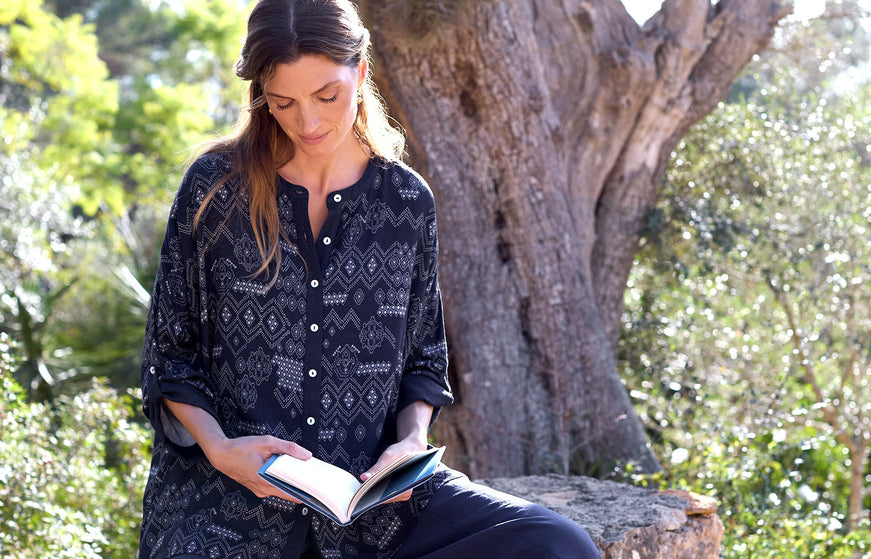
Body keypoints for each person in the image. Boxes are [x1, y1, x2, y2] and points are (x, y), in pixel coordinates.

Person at [137, 1, 602, 557]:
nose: (307, 122)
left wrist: (410, 443)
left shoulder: (406, 202)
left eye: (326, 96)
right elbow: (171, 355)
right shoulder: (215, 190)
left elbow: (424, 357)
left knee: (556, 545)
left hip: (376, 504)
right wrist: (219, 448)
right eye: (283, 102)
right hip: (228, 500)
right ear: (263, 92)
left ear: (360, 72)